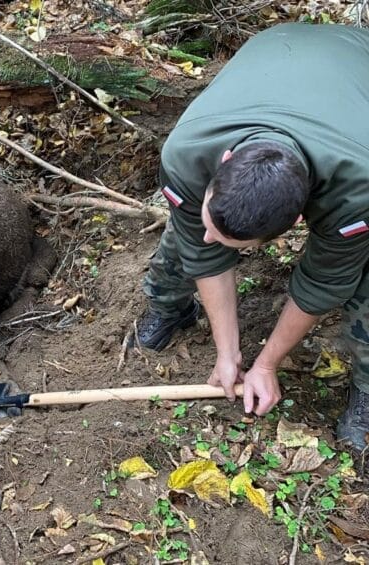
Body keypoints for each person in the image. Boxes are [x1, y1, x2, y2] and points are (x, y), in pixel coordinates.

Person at [134, 22, 369, 451]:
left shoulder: (357, 188)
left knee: (363, 277)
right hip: (277, 47)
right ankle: (170, 307)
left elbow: (323, 283)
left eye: (236, 245)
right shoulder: (187, 151)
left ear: (298, 222)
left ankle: (367, 384)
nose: (207, 236)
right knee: (187, 238)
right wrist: (228, 355)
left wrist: (266, 364)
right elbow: (201, 247)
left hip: (356, 67)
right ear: (223, 164)